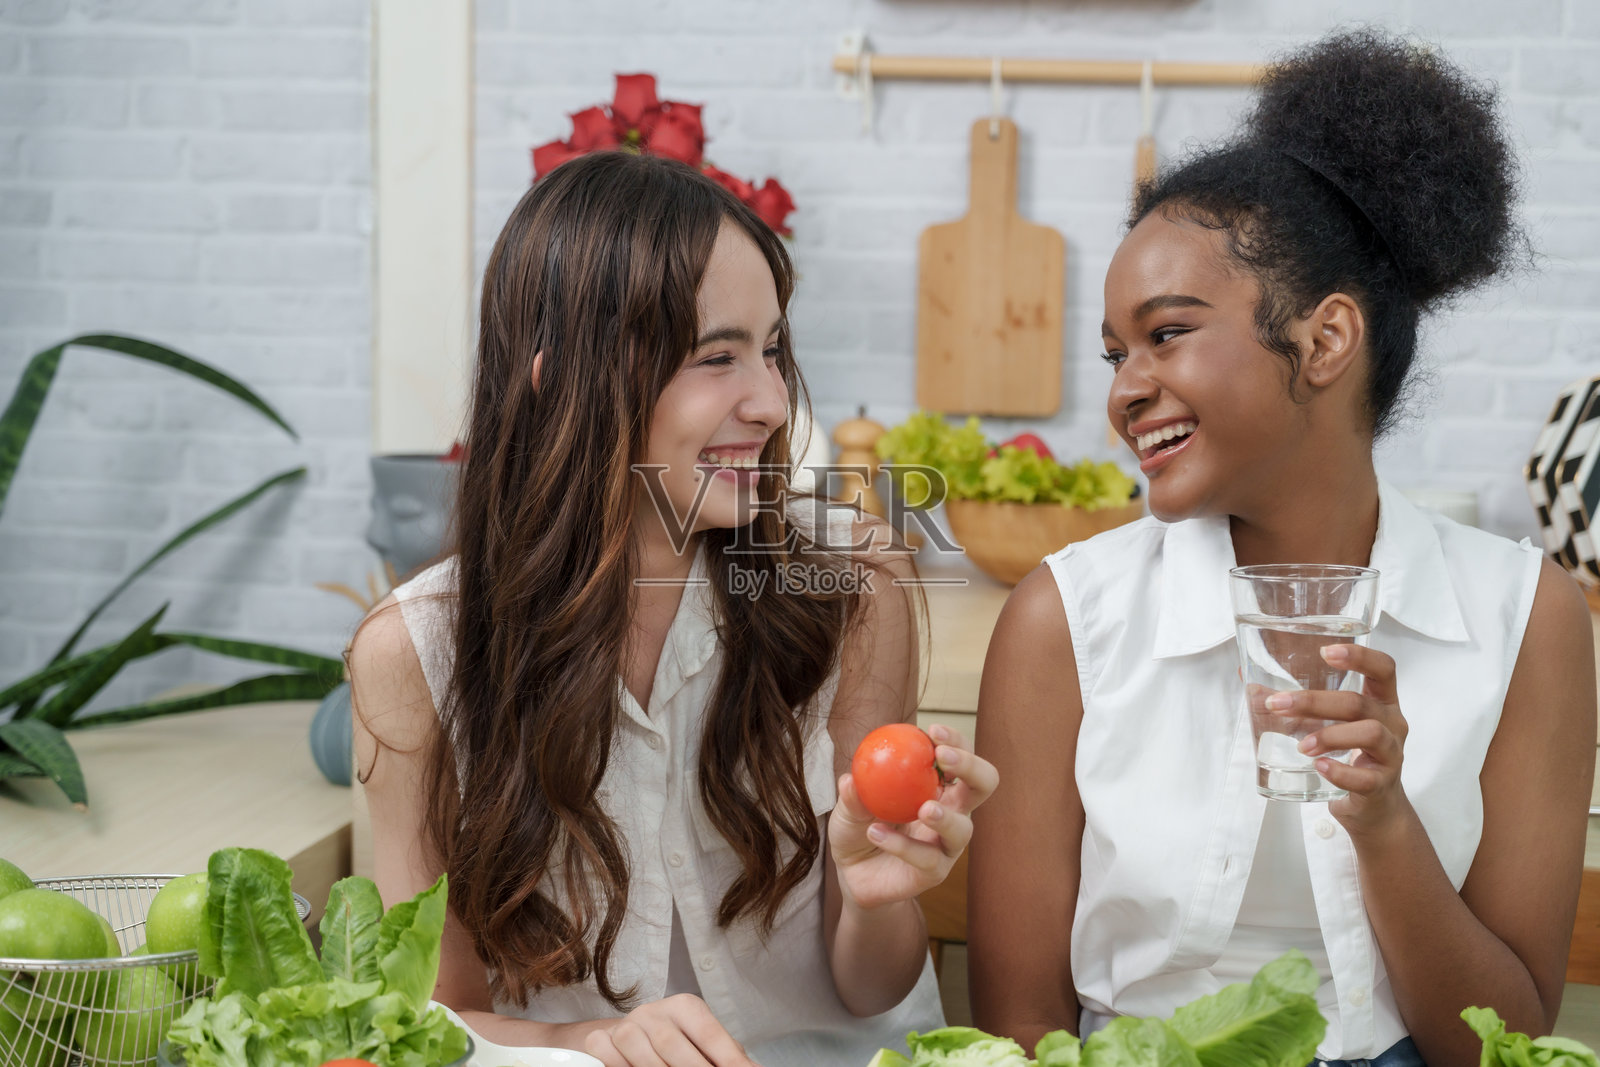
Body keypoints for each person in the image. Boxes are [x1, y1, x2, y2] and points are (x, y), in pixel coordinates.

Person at [968, 29, 1596, 1067]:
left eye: (1168, 333)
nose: (1125, 389)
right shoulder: (1065, 617)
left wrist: (1383, 819)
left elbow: (1506, 1041)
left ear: (1323, 339)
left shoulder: (1524, 616)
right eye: (1116, 353)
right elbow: (1019, 1026)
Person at [349, 151, 996, 1067]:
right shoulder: (416, 653)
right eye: (717, 357)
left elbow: (872, 987)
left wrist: (874, 890)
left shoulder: (853, 585)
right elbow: (433, 1018)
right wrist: (594, 1038)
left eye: (772, 350)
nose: (771, 401)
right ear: (558, 380)